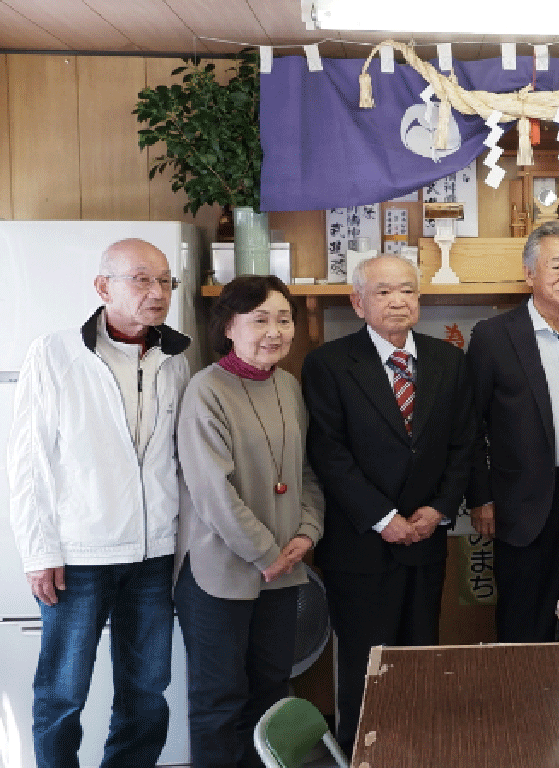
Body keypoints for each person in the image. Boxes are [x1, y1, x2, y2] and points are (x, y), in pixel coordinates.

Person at [8, 238, 191, 768]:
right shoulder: (56, 352)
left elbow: (177, 459)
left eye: (165, 281)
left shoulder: (174, 358)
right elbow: (29, 460)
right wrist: (39, 551)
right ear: (102, 286)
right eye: (141, 279)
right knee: (63, 695)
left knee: (146, 692)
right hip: (78, 555)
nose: (157, 292)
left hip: (153, 555)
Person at [301, 255, 475, 752]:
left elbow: (463, 444)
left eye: (408, 291)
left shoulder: (448, 361)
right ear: (358, 303)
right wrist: (383, 518)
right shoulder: (329, 364)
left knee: (420, 659)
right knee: (365, 667)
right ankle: (363, 755)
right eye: (383, 292)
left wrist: (439, 509)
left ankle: (419, 754)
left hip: (425, 539)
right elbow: (329, 454)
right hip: (360, 546)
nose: (398, 301)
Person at [175, 276, 324, 768]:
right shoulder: (206, 389)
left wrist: (307, 532)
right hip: (219, 573)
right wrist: (267, 553)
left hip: (282, 571)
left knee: (272, 693)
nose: (274, 331)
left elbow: (305, 472)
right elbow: (212, 492)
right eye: (260, 320)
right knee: (219, 700)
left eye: (283, 319)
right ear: (228, 327)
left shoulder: (288, 385)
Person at [466, 222, 559, 642]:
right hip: (524, 503)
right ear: (529, 272)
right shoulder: (493, 336)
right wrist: (480, 497)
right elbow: (470, 425)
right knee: (525, 623)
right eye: (556, 266)